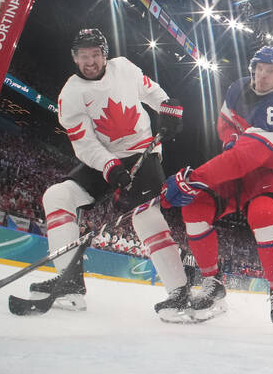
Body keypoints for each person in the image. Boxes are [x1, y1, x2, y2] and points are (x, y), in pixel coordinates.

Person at [32, 28, 189, 317]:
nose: (89, 61)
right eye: (83, 56)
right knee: (57, 196)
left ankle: (180, 293)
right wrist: (109, 167)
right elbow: (85, 143)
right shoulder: (71, 94)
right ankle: (69, 284)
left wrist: (168, 110)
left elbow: (152, 92)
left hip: (143, 151)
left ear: (105, 55)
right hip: (105, 159)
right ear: (74, 58)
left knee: (145, 216)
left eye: (95, 55)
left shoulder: (125, 68)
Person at [160, 45, 273, 333]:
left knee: (263, 214)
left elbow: (244, 158)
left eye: (271, 71)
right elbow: (225, 125)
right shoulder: (237, 88)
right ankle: (212, 283)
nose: (262, 76)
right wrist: (227, 144)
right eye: (259, 69)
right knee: (195, 205)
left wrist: (193, 177)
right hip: (241, 171)